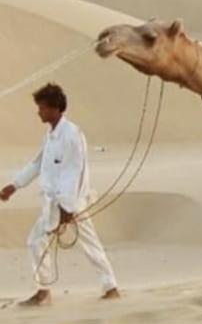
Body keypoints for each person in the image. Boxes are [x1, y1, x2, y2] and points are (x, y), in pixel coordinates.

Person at [0, 83, 120, 306]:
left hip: (72, 202)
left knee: (89, 243)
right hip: (53, 202)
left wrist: (68, 206)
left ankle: (110, 287)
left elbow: (74, 171)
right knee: (36, 241)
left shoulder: (72, 135)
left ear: (55, 109)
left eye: (43, 108)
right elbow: (37, 164)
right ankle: (43, 290)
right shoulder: (51, 136)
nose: (39, 112)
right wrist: (14, 185)